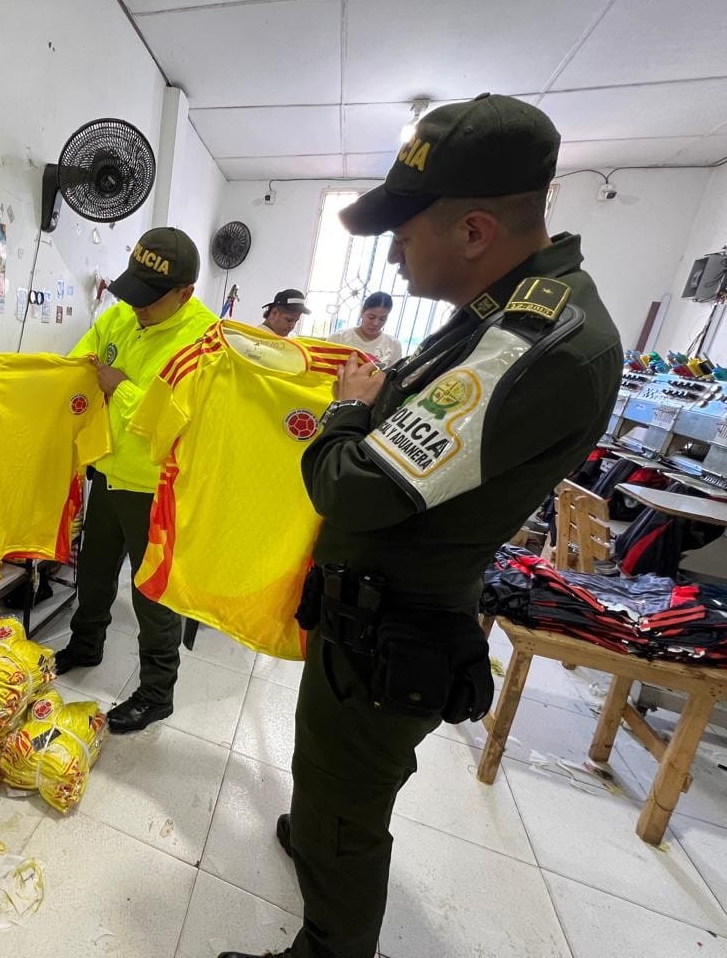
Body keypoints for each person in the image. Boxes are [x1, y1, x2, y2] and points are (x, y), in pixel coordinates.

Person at [217, 93, 621, 958]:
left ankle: (331, 940)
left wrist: (347, 413)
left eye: (405, 234)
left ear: (474, 230)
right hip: (368, 613)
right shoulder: (499, 313)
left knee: (346, 805)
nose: (393, 257)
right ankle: (322, 837)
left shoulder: (536, 340)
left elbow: (353, 489)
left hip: (390, 628)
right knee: (329, 778)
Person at [56, 226, 217, 733]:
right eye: (134, 293)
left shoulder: (206, 342)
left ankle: (156, 693)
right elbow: (83, 360)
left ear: (185, 293)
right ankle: (86, 646)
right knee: (96, 569)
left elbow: (177, 420)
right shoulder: (124, 314)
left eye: (151, 298)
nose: (137, 307)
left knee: (152, 594)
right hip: (107, 469)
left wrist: (120, 388)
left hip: (157, 488)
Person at [327, 292, 403, 367]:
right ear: (361, 313)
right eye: (371, 317)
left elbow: (393, 377)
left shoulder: (393, 345)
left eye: (382, 319)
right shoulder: (337, 339)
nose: (376, 323)